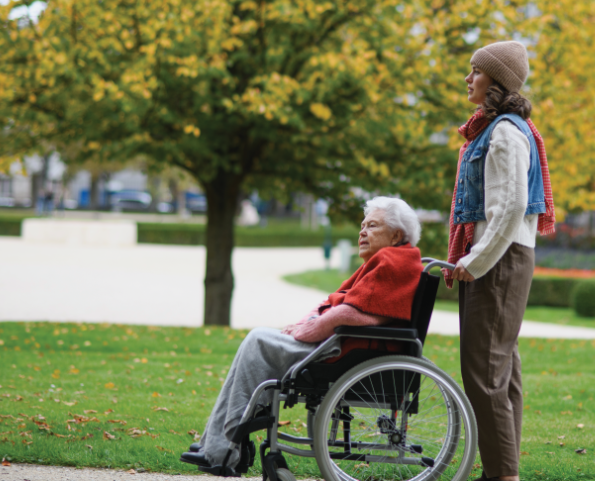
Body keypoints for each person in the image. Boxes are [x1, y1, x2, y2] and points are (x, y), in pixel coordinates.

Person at [180, 196, 424, 474]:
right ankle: (217, 444)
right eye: (362, 225)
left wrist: (313, 326)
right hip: (346, 344)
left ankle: (222, 449)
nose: (362, 232)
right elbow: (355, 307)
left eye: (372, 226)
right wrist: (312, 321)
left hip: (344, 350)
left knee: (257, 341)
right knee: (256, 340)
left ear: (395, 235)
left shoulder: (394, 262)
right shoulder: (393, 259)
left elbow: (359, 313)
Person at [445, 40, 556, 481]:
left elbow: (509, 208)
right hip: (500, 259)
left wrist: (476, 259)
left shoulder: (507, 132)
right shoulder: (497, 130)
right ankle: (502, 471)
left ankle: (502, 475)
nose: (468, 78)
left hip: (500, 261)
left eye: (475, 71)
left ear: (497, 80)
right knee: (500, 372)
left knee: (485, 374)